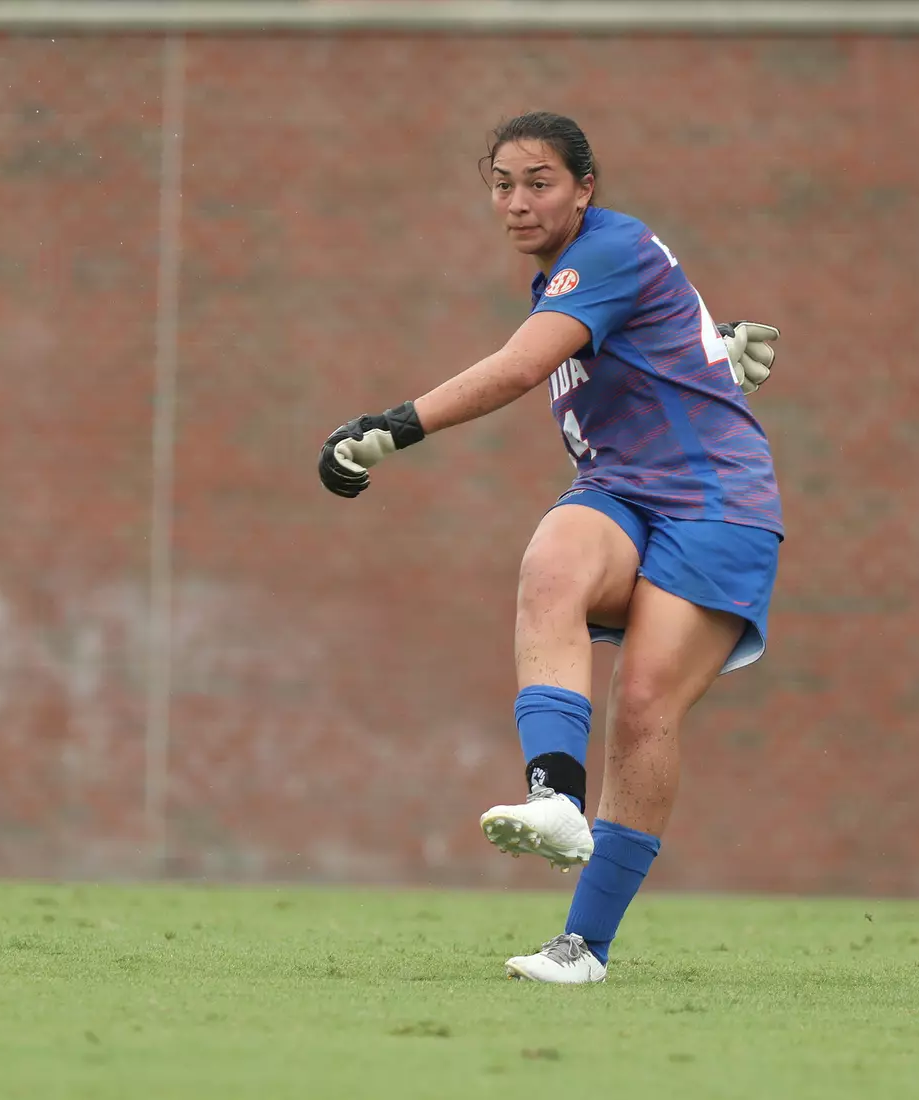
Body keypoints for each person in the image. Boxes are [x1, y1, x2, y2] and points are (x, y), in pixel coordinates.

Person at [317, 111, 785, 984]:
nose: (519, 201)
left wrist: (391, 427)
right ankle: (556, 798)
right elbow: (643, 353)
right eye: (503, 185)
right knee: (552, 562)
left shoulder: (608, 249)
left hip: (718, 503)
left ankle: (584, 948)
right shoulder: (571, 278)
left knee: (643, 705)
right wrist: (705, 352)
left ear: (584, 189)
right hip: (624, 491)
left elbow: (521, 366)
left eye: (540, 183)